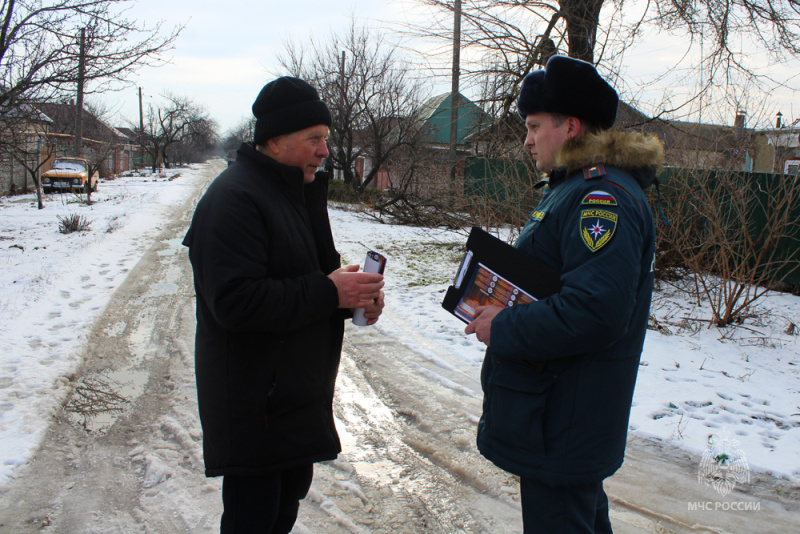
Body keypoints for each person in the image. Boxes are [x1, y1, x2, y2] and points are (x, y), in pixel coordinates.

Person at [464, 55, 664, 532]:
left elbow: (596, 310)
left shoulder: (601, 197)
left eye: (534, 127)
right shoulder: (571, 187)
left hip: (563, 417)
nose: (527, 140)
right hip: (556, 414)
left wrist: (504, 324)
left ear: (571, 126)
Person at [182, 76, 385, 534]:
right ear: (273, 141)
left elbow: (311, 280)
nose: (324, 150)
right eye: (314, 139)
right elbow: (234, 301)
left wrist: (352, 294)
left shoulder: (294, 194)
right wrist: (330, 292)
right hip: (256, 405)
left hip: (292, 400)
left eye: (325, 139)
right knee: (253, 519)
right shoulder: (234, 199)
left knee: (280, 515)